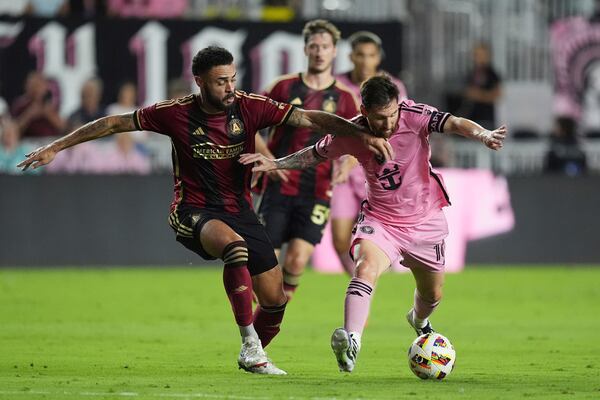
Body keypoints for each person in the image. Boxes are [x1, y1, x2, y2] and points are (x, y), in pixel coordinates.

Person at [18, 46, 392, 375]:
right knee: (235, 249)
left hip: (240, 210)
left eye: (232, 79)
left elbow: (310, 118)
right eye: (220, 82)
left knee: (276, 301)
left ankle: (254, 354)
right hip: (192, 210)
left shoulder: (249, 106)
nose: (229, 88)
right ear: (199, 82)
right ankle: (249, 345)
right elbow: (114, 123)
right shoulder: (175, 113)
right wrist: (57, 146)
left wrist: (360, 133)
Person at [239, 75, 506, 373]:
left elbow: (455, 123)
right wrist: (276, 163)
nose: (389, 123)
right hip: (382, 221)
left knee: (433, 294)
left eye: (392, 115)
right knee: (365, 268)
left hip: (425, 220)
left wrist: (483, 134)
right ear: (365, 112)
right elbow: (313, 155)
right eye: (380, 118)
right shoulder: (352, 132)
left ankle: (418, 321)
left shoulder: (415, 115)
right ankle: (352, 341)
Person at [256, 19, 360, 299]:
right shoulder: (282, 88)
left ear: (334, 51)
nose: (319, 51)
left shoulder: (346, 99)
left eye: (324, 46)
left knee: (298, 260)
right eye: (313, 46)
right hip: (280, 183)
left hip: (317, 189)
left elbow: (357, 142)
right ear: (305, 49)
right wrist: (269, 161)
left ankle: (275, 313)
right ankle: (265, 311)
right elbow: (249, 124)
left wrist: (346, 165)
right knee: (267, 261)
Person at [331, 31, 408, 274]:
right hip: (342, 172)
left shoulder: (392, 87)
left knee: (386, 230)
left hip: (380, 171)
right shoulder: (335, 85)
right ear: (350, 56)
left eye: (371, 55)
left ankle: (375, 275)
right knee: (340, 240)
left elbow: (399, 128)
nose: (365, 61)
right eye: (360, 55)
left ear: (378, 57)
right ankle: (360, 283)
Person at [460, 42, 502, 130]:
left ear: (488, 56)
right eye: (476, 55)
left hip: (486, 119)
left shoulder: (492, 74)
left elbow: (497, 95)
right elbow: (467, 92)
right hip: (471, 118)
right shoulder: (472, 73)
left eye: (482, 55)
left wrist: (480, 95)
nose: (479, 58)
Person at [10, 71, 65, 138]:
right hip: (28, 143)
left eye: (38, 86)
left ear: (45, 87)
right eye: (33, 86)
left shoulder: (52, 103)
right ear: (26, 86)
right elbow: (13, 131)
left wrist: (48, 114)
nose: (36, 89)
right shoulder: (20, 105)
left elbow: (64, 127)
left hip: (51, 141)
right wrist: (28, 115)